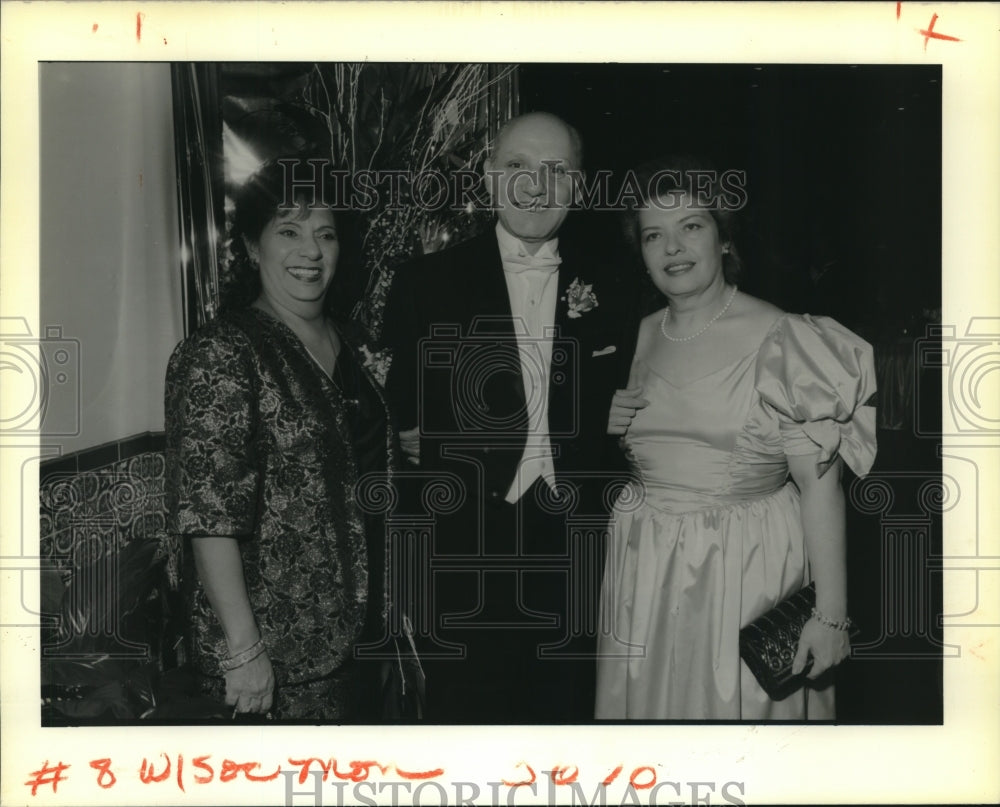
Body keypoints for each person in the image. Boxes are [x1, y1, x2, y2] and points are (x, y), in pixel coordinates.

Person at [596, 157, 877, 720]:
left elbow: (820, 489)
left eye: (691, 227)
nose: (672, 247)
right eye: (655, 235)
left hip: (743, 570)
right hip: (644, 567)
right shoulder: (644, 331)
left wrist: (830, 617)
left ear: (723, 238)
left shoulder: (783, 335)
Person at [383, 112, 634, 722]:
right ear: (491, 177)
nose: (534, 186)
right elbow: (396, 417)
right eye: (517, 166)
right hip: (463, 561)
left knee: (567, 735)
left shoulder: (619, 284)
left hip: (579, 555)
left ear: (576, 187)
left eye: (555, 171)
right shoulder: (425, 283)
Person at [165, 158, 394, 721]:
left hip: (368, 634)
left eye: (325, 234)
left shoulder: (358, 344)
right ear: (251, 246)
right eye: (288, 232)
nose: (310, 253)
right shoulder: (223, 353)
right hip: (278, 658)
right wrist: (244, 652)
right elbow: (208, 515)